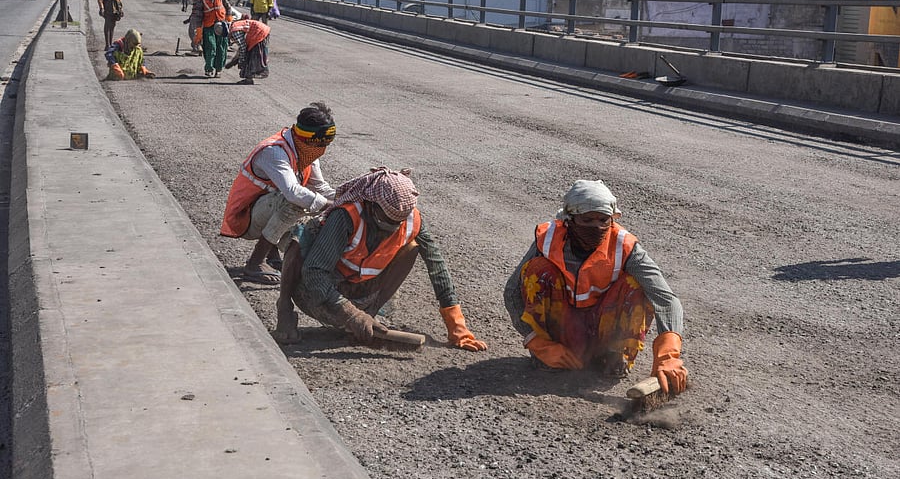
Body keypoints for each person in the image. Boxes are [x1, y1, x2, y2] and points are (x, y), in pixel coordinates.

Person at [273, 166, 488, 353]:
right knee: (300, 235)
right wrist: (350, 314)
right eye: (386, 222)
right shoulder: (346, 216)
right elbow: (314, 273)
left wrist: (456, 324)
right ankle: (284, 309)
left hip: (363, 293)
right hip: (315, 294)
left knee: (412, 248)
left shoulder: (410, 219)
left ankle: (370, 316)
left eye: (398, 222)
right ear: (371, 205)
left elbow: (436, 264)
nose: (392, 229)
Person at [503, 179, 688, 395]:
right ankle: (550, 354)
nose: (597, 227)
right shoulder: (549, 239)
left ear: (613, 219)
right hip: (563, 331)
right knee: (538, 270)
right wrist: (535, 341)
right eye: (588, 219)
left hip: (604, 331)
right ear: (569, 220)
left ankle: (612, 355)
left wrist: (668, 356)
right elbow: (512, 292)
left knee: (636, 283)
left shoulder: (624, 246)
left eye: (603, 220)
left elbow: (666, 299)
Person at [220, 102, 337, 285]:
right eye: (319, 144)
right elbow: (293, 193)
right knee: (295, 202)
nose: (322, 150)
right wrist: (330, 205)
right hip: (245, 217)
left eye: (326, 144)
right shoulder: (274, 151)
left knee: (306, 231)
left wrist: (349, 196)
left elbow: (320, 187)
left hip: (264, 209)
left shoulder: (306, 150)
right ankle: (254, 263)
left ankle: (272, 256)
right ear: (305, 138)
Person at [188, 0, 232, 77]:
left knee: (221, 48)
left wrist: (229, 19)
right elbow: (198, 16)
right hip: (209, 27)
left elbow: (228, 7)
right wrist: (199, 31)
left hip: (221, 26)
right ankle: (209, 68)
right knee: (210, 48)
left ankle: (218, 70)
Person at [219, 18, 270, 85]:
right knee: (250, 53)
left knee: (252, 55)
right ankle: (249, 78)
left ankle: (255, 75)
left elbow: (243, 48)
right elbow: (242, 47)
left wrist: (240, 61)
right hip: (261, 30)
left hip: (259, 33)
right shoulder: (234, 25)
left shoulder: (235, 31)